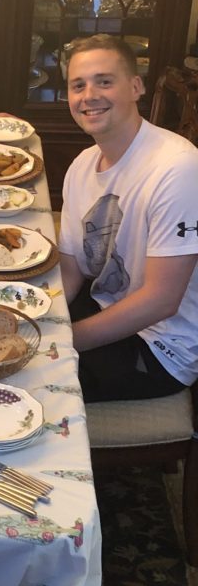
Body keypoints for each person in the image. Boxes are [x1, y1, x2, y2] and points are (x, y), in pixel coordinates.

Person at [58, 34, 198, 402]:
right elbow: (71, 270)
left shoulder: (177, 167)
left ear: (136, 87)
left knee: (24, 379)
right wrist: (38, 314)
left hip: (159, 348)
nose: (89, 95)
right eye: (78, 85)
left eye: (104, 81)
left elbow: (162, 300)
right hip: (106, 302)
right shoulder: (82, 165)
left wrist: (59, 342)